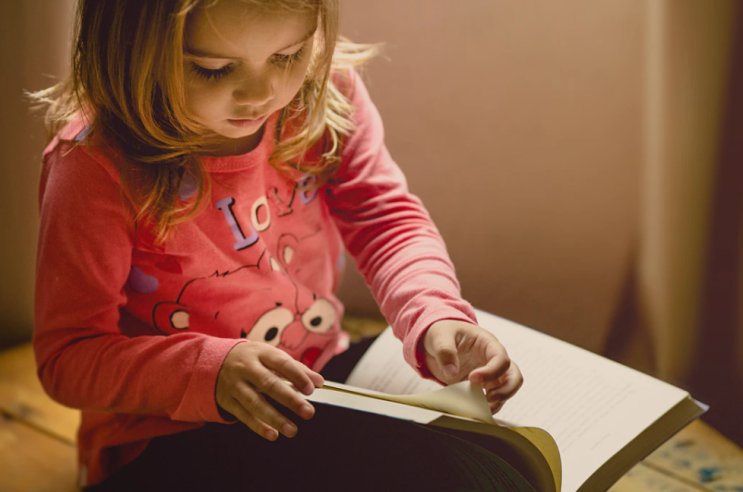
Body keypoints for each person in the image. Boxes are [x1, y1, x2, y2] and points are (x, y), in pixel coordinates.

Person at [32, 0, 524, 490]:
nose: (262, 94)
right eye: (213, 68)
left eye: (288, 56)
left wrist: (434, 311)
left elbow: (385, 218)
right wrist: (209, 372)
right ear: (125, 50)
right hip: (169, 431)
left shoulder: (323, 95)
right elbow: (68, 358)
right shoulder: (93, 167)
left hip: (321, 379)